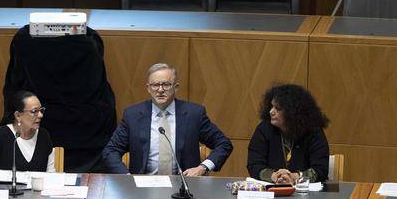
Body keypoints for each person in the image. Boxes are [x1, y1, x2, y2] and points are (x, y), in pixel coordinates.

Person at [102, 63, 233, 176]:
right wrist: (126, 177)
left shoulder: (194, 114)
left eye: (166, 84)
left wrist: (202, 168)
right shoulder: (133, 115)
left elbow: (223, 144)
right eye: (155, 85)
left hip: (185, 186)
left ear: (175, 87)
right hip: (142, 186)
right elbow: (111, 151)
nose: (160, 90)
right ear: (148, 88)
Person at [247, 84, 330, 184]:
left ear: (292, 112)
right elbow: (254, 164)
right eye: (271, 106)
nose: (271, 112)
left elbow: (321, 169)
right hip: (271, 193)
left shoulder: (313, 132)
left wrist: (296, 177)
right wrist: (273, 176)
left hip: (306, 194)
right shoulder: (264, 129)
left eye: (277, 109)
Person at [0, 90, 55, 172]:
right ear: (18, 115)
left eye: (41, 110)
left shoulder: (44, 136)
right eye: (34, 111)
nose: (41, 115)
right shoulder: (0, 136)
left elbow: (51, 175)